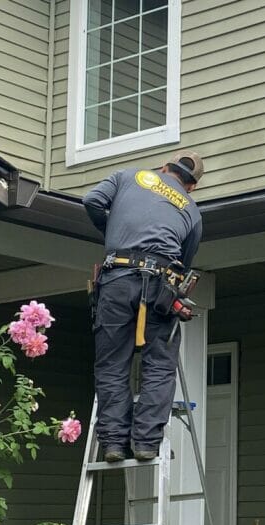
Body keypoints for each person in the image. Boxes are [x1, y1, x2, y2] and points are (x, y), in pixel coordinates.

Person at [83, 151, 204, 462]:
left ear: (163, 168)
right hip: (161, 286)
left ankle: (112, 442)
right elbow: (184, 263)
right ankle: (146, 443)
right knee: (159, 365)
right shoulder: (191, 210)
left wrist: (114, 233)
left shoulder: (128, 176)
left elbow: (91, 201)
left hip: (118, 278)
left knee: (111, 364)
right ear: (191, 186)